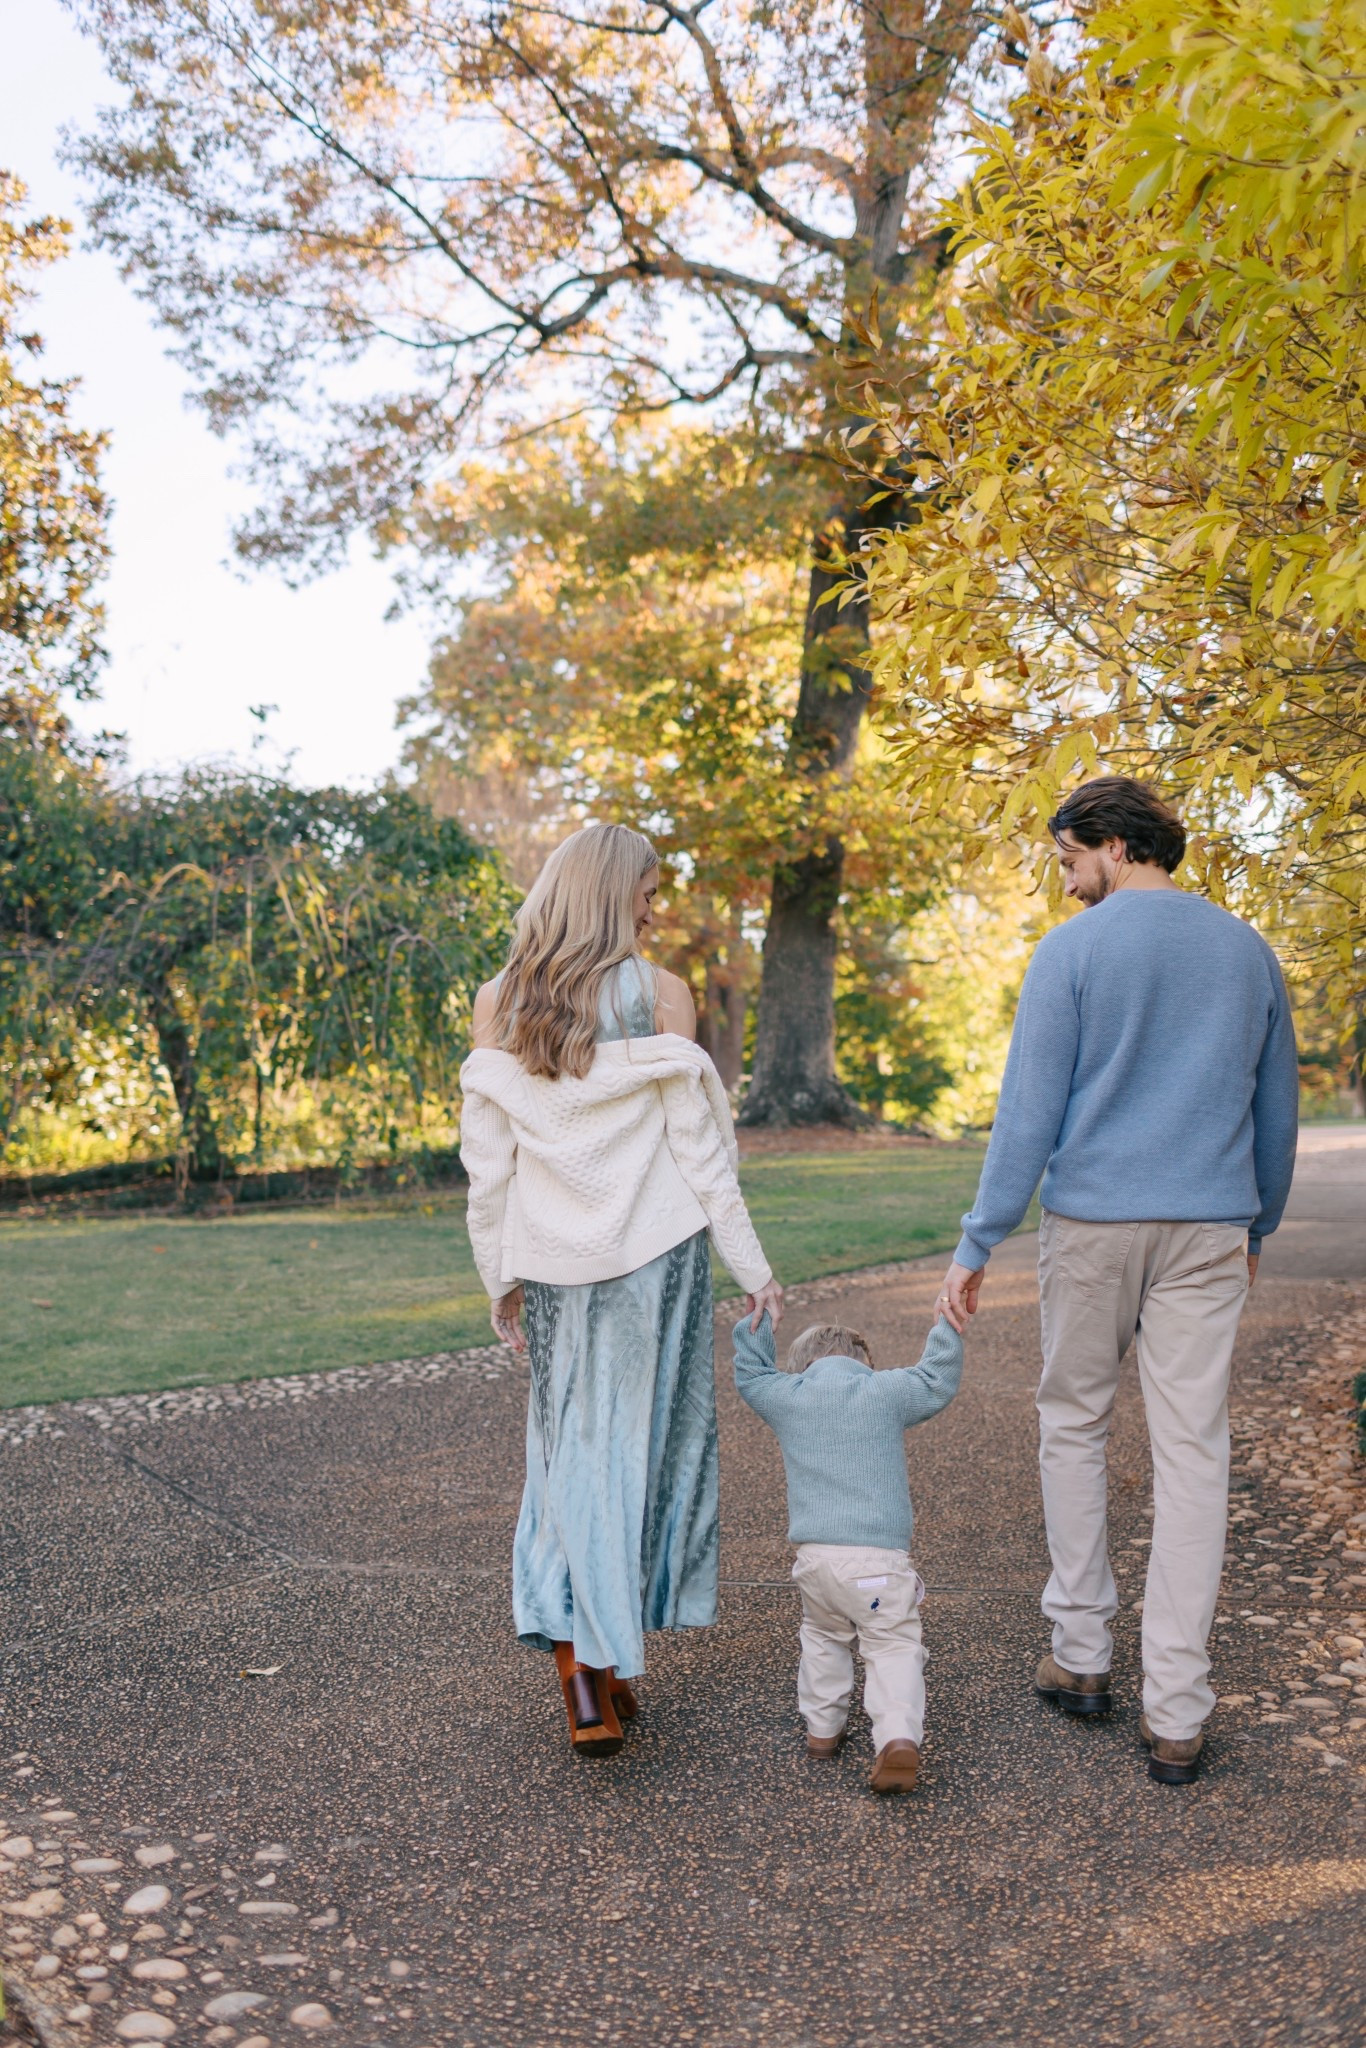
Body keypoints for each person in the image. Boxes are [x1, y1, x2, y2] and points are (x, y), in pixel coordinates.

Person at [938, 776, 1298, 1784]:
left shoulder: (1072, 954)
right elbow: (1276, 1110)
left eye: (1068, 859)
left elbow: (1029, 1115)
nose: (1065, 883)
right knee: (1194, 1453)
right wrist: (1258, 1222)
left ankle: (1083, 1651)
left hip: (1094, 1225)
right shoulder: (1247, 950)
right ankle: (1177, 1706)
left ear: (1114, 843)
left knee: (1074, 1423)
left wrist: (978, 1241)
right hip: (1208, 1228)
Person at [459, 824, 783, 1758]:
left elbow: (489, 1166)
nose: (653, 908)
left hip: (556, 1269)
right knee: (644, 1453)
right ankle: (602, 1656)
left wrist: (499, 1278)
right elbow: (701, 1151)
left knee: (569, 1458)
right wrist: (753, 1266)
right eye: (646, 891)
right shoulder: (664, 996)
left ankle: (586, 1669)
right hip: (657, 1259)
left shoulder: (499, 1000)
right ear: (610, 893)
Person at [732, 1308, 962, 1793]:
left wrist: (758, 1319)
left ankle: (822, 1730)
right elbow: (936, 1379)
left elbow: (751, 1375)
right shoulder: (885, 1390)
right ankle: (897, 1735)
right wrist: (947, 1322)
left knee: (822, 1638)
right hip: (878, 1565)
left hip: (816, 1563)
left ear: (801, 1367)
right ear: (865, 1362)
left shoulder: (788, 1395)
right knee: (892, 1645)